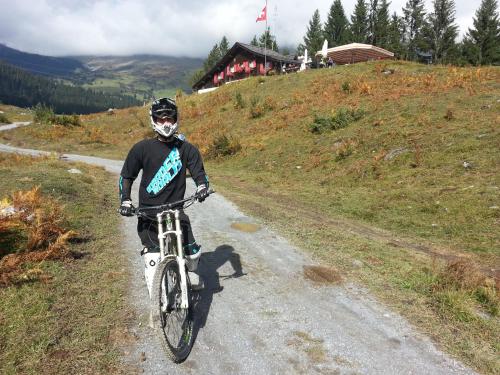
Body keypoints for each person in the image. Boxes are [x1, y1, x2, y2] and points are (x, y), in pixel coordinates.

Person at [118, 97, 209, 296]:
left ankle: (191, 272)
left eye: (170, 118)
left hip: (176, 211)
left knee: (193, 253)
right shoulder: (141, 148)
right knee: (152, 256)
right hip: (148, 214)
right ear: (154, 121)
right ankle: (157, 300)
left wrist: (202, 187)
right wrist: (125, 199)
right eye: (161, 119)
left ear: (176, 119)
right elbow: (126, 176)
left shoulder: (186, 149)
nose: (166, 123)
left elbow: (199, 173)